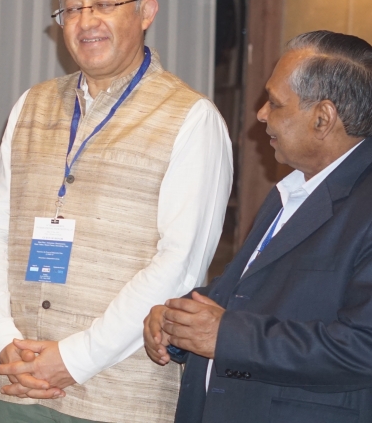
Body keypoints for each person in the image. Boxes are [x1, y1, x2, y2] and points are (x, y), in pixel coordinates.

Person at [0, 0, 233, 423]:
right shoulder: (31, 105)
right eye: (72, 8)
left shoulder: (192, 119)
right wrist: (2, 339)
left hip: (120, 392)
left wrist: (74, 359)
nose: (86, 21)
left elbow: (179, 264)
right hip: (17, 378)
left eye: (105, 4)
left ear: (146, 12)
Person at [145, 31, 372, 423]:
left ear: (323, 118)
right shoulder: (292, 189)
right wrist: (178, 317)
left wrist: (226, 336)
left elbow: (361, 347)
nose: (261, 114)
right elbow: (247, 294)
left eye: (276, 103)